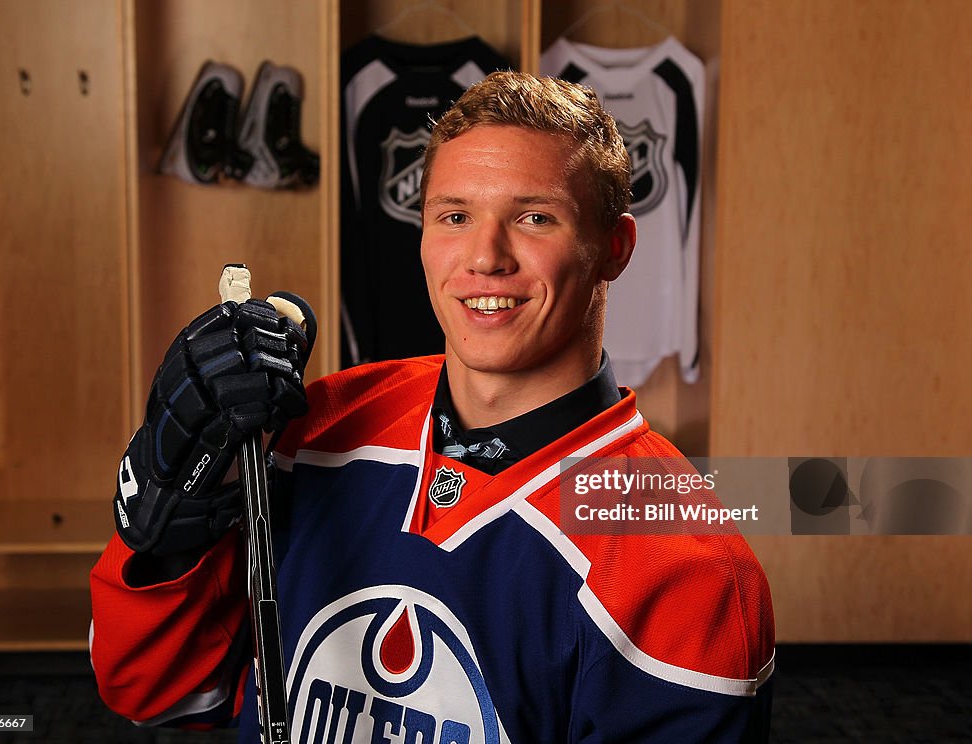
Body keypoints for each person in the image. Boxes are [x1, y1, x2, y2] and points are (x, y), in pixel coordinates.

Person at [91, 71, 775, 743]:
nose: (485, 257)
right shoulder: (316, 427)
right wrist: (167, 522)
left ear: (614, 249)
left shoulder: (690, 573)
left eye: (534, 218)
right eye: (454, 216)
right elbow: (159, 693)